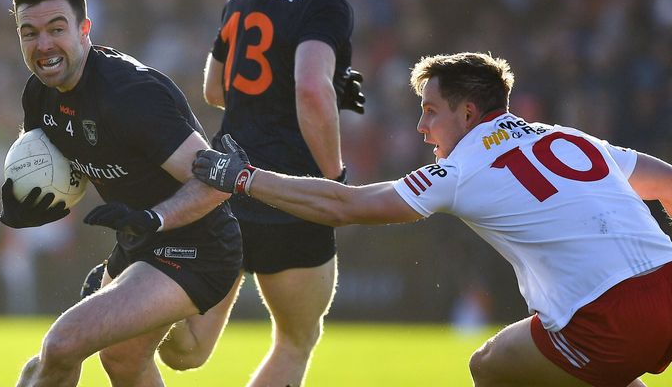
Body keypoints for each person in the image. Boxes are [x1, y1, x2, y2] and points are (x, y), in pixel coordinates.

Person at [193, 52, 672, 387]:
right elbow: (667, 183)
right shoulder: (571, 139)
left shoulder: (462, 169)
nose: (422, 127)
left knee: (491, 367)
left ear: (467, 113)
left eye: (430, 111)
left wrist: (244, 178)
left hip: (604, 316)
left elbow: (345, 205)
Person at [3, 0, 243, 387]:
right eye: (30, 33)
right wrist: (21, 201)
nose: (43, 45)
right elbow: (50, 161)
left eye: (56, 29)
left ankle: (184, 305)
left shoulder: (131, 95)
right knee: (124, 359)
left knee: (64, 344)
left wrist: (155, 218)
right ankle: (165, 313)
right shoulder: (38, 93)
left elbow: (215, 183)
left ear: (84, 29)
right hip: (138, 242)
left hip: (199, 245)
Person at [191, 0, 365, 385]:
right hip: (290, 194)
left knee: (187, 351)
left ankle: (118, 293)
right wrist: (334, 182)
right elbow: (310, 88)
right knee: (296, 340)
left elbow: (215, 90)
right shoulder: (326, 2)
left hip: (224, 186)